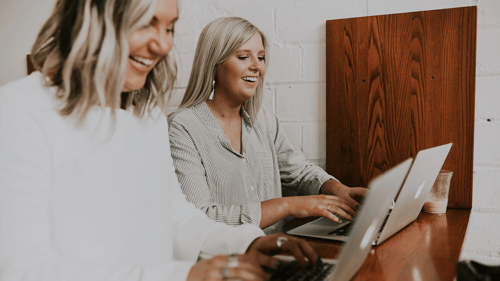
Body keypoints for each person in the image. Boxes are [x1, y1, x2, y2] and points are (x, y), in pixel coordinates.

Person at [0, 1, 319, 280]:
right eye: (146, 24)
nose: (163, 45)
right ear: (92, 18)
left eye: (170, 27)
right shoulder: (21, 110)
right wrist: (183, 276)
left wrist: (245, 242)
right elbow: (23, 270)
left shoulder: (146, 115)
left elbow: (177, 217)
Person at [168, 17, 368, 233]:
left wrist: (338, 189)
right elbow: (201, 218)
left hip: (275, 250)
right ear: (214, 64)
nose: (257, 66)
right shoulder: (182, 128)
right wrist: (288, 206)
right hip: (226, 261)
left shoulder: (263, 121)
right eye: (244, 57)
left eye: (261, 57)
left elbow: (299, 171)